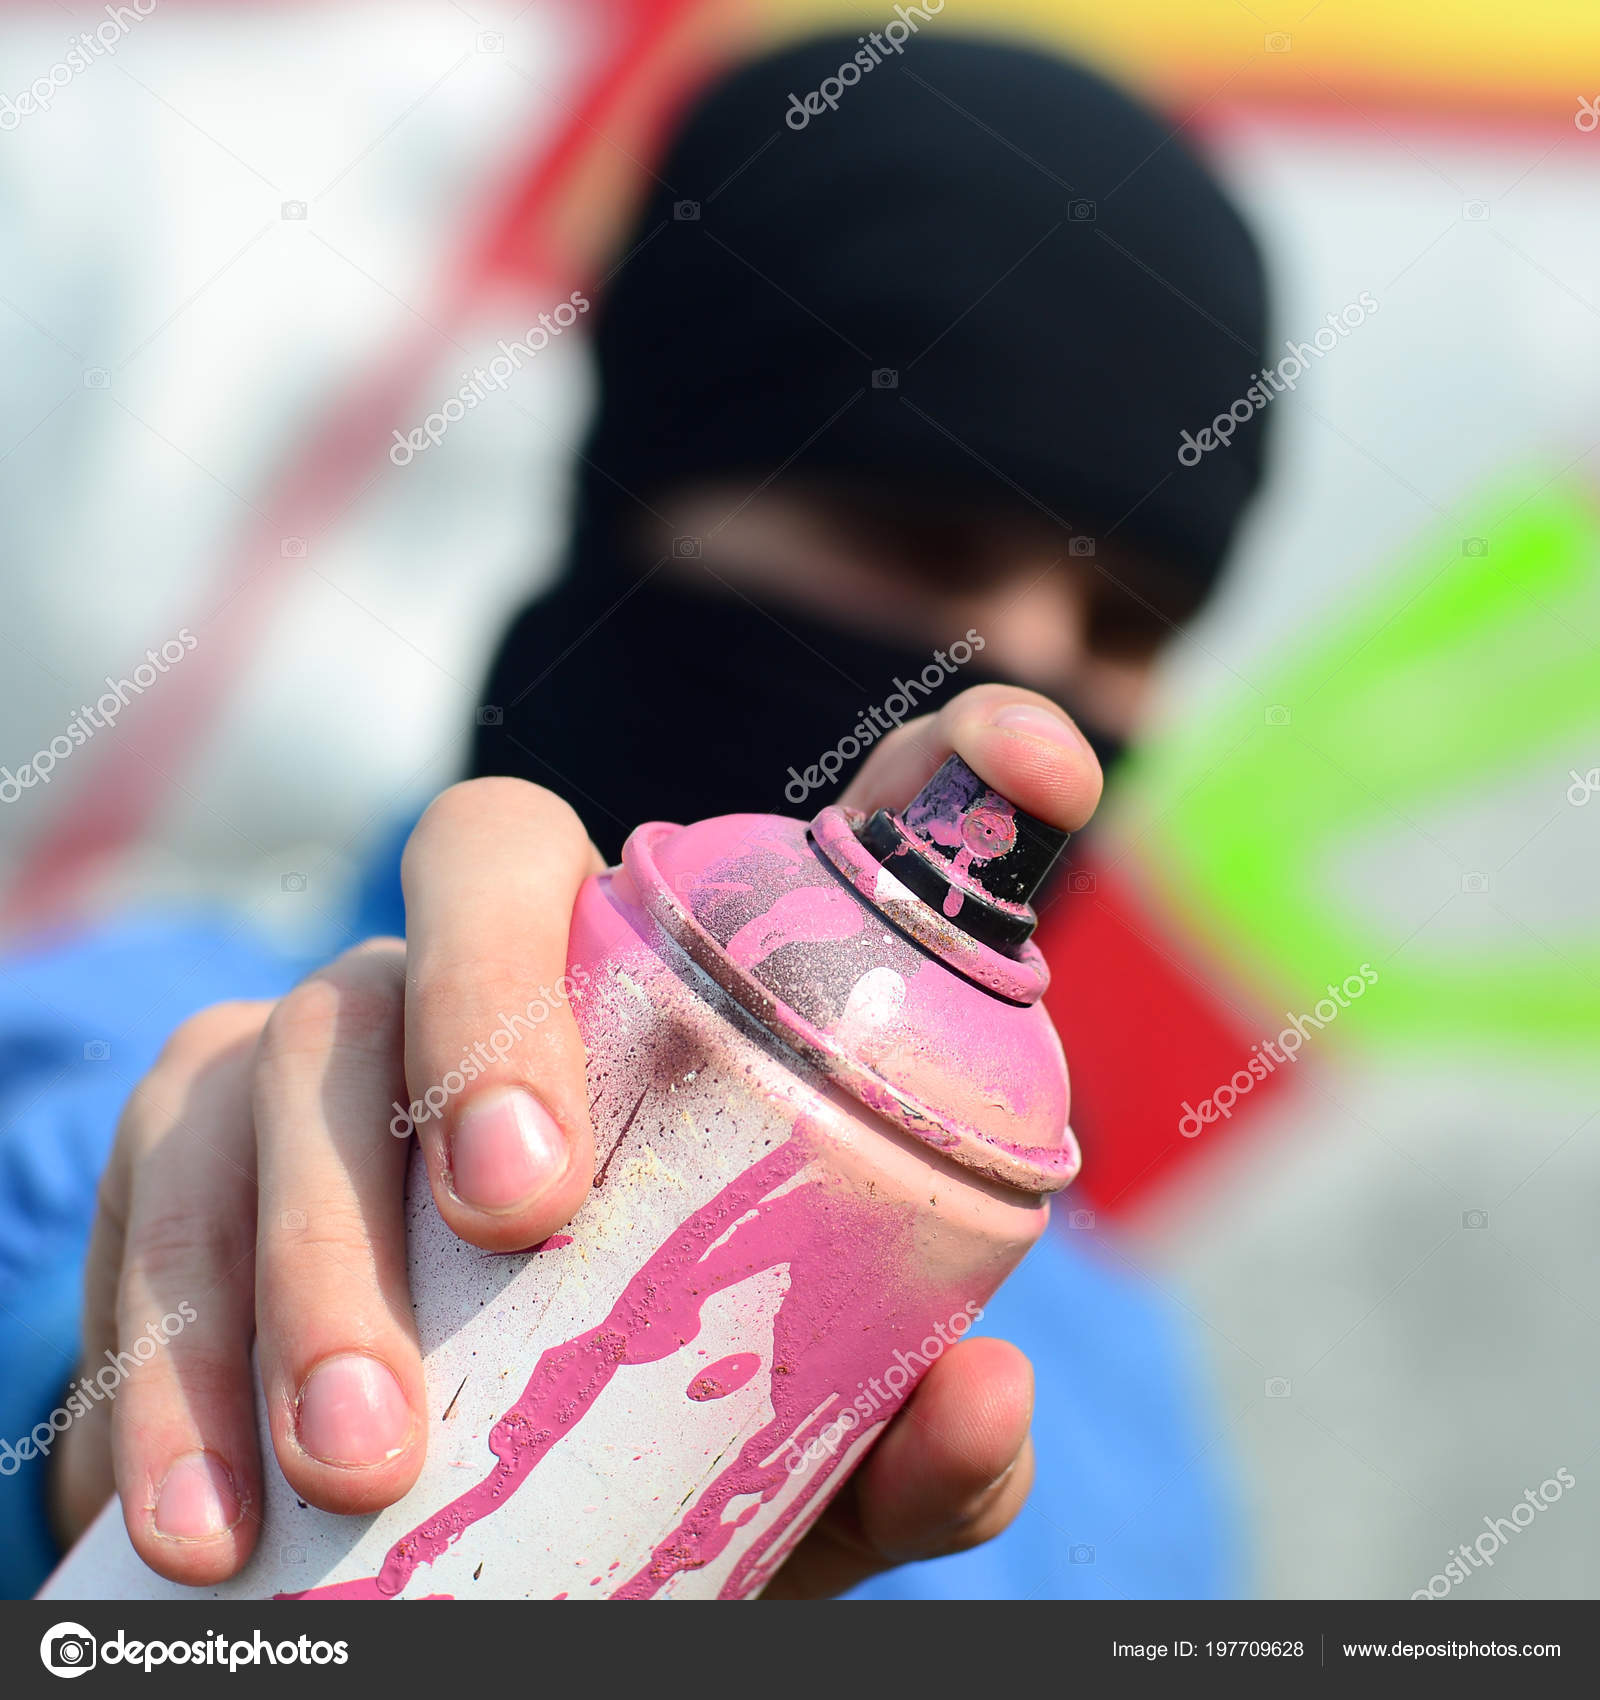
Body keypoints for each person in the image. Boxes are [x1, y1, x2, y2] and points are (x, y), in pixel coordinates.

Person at [0, 31, 1269, 1599]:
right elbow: (83, 1267)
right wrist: (114, 1473)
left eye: (1132, 625)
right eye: (916, 538)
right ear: (638, 498)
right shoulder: (87, 1059)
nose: (1020, 694)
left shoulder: (1113, 1398)